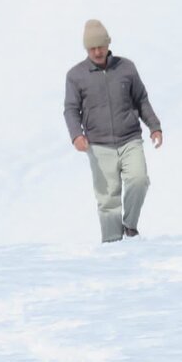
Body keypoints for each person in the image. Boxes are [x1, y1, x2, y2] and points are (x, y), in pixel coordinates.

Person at [64, 19, 163, 243]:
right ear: (86, 49)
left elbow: (141, 99)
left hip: (130, 138)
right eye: (92, 48)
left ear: (108, 44)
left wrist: (154, 126)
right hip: (98, 145)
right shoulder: (75, 76)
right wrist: (76, 135)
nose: (97, 52)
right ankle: (112, 245)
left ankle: (129, 226)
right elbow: (70, 109)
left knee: (139, 180)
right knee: (108, 198)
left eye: (101, 46)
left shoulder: (126, 67)